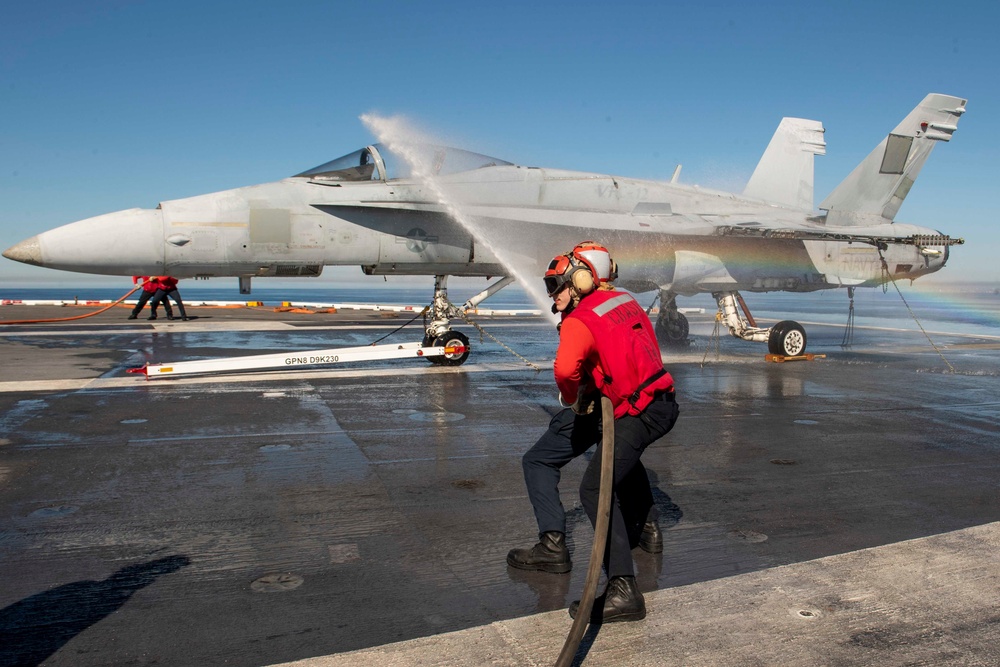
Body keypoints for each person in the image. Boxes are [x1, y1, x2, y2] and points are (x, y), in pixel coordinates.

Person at [507, 241, 679, 623]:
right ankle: (647, 528)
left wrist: (572, 399)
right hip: (650, 401)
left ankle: (620, 588)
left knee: (588, 485)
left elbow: (565, 372)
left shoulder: (579, 320)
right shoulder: (625, 300)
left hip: (633, 409)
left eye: (557, 285)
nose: (552, 295)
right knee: (616, 455)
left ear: (581, 281)